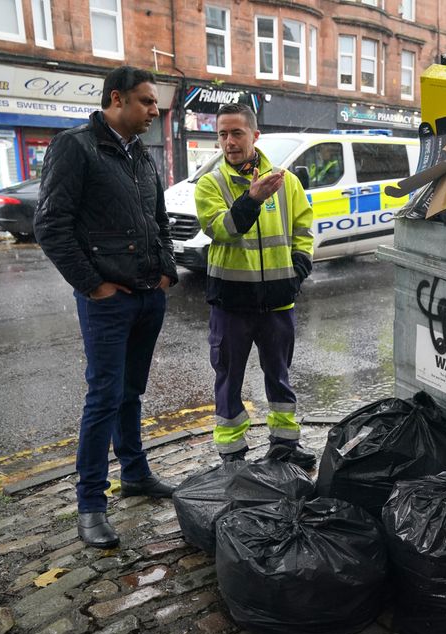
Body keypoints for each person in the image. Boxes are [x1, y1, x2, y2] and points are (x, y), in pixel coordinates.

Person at [34, 66, 179, 549]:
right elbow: (51, 225)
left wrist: (165, 271)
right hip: (109, 302)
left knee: (130, 392)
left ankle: (135, 474)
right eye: (146, 102)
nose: (154, 111)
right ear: (115, 99)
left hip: (146, 297)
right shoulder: (75, 147)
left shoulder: (141, 154)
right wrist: (94, 286)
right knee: (102, 399)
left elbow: (158, 218)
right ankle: (91, 504)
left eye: (155, 103)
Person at [194, 103, 316, 469]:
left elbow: (303, 230)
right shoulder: (210, 183)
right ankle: (232, 454)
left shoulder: (287, 181)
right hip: (231, 304)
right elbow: (220, 229)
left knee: (279, 377)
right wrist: (252, 199)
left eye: (236, 133)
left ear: (255, 135)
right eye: (222, 134)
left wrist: (298, 269)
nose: (228, 142)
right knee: (229, 379)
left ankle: (285, 445)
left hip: (277, 302)